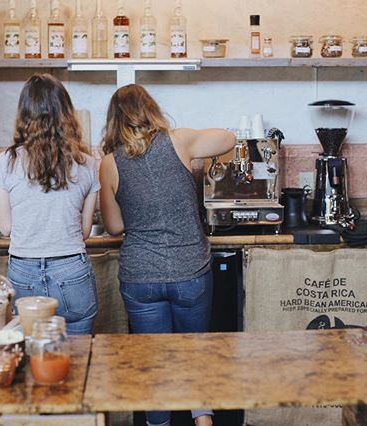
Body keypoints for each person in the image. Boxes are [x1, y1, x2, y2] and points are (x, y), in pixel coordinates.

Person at [99, 84, 235, 426]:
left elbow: (114, 227)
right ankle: (202, 419)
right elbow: (228, 139)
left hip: (141, 277)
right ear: (151, 109)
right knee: (195, 355)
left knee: (155, 364)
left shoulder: (109, 163)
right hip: (190, 271)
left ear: (114, 121)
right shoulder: (180, 140)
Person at [0, 73, 99, 334]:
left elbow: (5, 228)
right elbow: (84, 232)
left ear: (24, 114)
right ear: (66, 112)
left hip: (24, 271)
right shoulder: (87, 164)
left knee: (31, 358)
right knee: (78, 359)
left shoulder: (7, 161)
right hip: (71, 271)